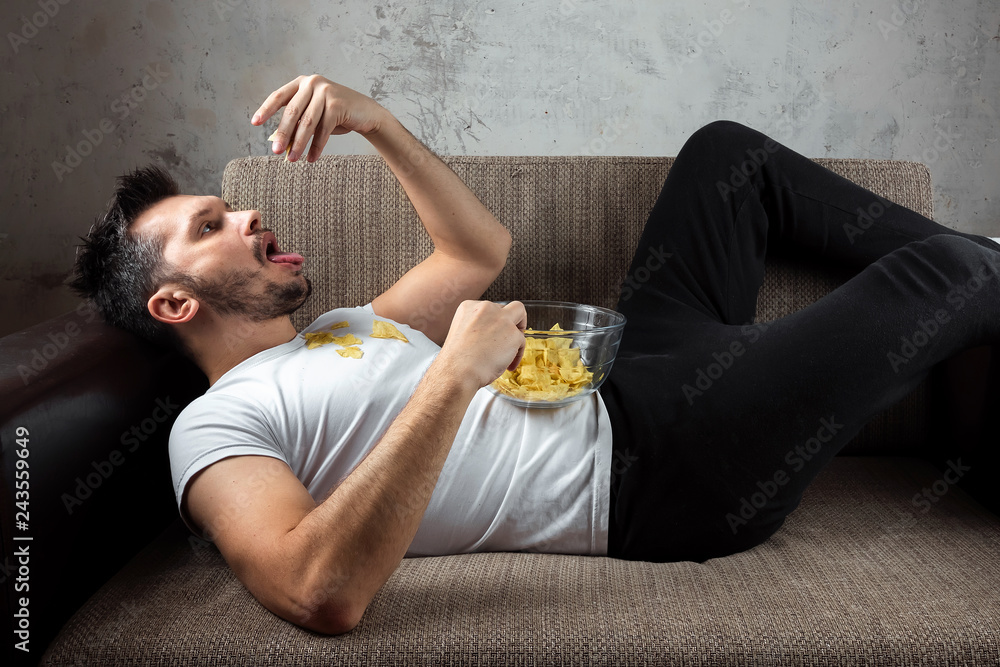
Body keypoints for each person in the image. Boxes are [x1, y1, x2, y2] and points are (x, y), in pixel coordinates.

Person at [70, 74, 1000, 635]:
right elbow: (320, 590)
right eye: (211, 224)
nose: (246, 215)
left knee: (730, 158)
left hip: (632, 369)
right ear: (174, 301)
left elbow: (476, 253)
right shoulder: (214, 427)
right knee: (947, 272)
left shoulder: (341, 328)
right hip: (658, 470)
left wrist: (375, 121)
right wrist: (455, 369)